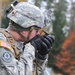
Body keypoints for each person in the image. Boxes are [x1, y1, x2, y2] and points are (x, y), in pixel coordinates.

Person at [0, 1, 55, 75]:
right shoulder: (2, 42)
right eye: (36, 30)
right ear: (24, 29)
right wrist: (31, 48)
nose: (38, 33)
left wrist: (41, 58)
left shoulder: (22, 45)